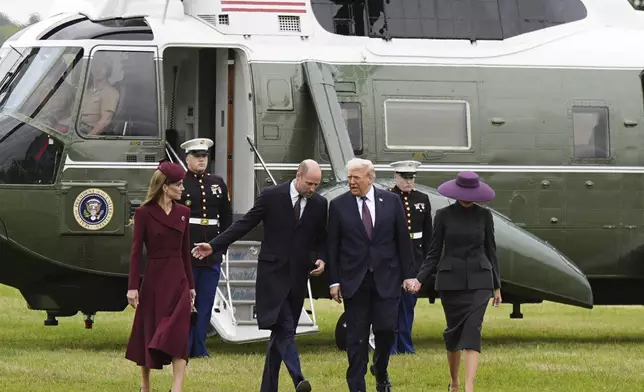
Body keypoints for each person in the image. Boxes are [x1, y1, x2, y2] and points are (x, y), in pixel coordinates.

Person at [191, 159, 328, 392]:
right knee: (285, 328)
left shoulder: (319, 204)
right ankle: (298, 379)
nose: (312, 189)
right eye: (309, 183)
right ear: (298, 175)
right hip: (272, 275)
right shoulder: (271, 196)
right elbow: (244, 224)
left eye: (316, 185)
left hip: (297, 278)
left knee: (281, 334)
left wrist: (321, 258)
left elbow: (321, 239)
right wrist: (214, 246)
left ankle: (268, 388)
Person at [326, 157, 416, 392]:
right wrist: (334, 281)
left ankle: (381, 368)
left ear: (370, 178)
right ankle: (357, 385)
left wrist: (408, 275)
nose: (351, 182)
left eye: (356, 177)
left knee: (386, 330)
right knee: (356, 337)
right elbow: (332, 247)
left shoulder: (392, 201)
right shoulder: (338, 205)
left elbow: (403, 242)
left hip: (387, 279)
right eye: (349, 178)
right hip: (355, 281)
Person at [407, 171, 503, 392]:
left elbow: (491, 251)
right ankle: (455, 382)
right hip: (451, 282)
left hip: (481, 280)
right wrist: (420, 279)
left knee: (472, 330)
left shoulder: (485, 216)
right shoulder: (443, 215)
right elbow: (433, 253)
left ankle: (469, 387)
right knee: (454, 333)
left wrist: (497, 285)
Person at [125, 160, 196, 392]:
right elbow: (136, 253)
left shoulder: (184, 213)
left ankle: (177, 389)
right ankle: (144, 385)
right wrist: (132, 287)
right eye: (179, 184)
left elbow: (185, 253)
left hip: (179, 281)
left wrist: (192, 287)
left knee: (178, 333)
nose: (183, 189)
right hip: (154, 280)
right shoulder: (144, 213)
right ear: (165, 187)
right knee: (148, 330)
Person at [179, 137, 232, 358]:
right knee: (185, 302)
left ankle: (199, 346)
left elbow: (226, 217)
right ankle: (183, 344)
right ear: (187, 158)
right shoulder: (179, 182)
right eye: (197, 157)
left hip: (211, 251)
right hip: (188, 250)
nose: (202, 160)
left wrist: (221, 246)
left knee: (206, 302)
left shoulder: (217, 182)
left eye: (204, 156)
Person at [386, 160, 433, 355]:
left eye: (411, 178)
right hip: (393, 258)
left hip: (415, 257)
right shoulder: (388, 198)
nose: (408, 182)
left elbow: (428, 233)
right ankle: (392, 344)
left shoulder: (422, 198)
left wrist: (427, 262)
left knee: (409, 303)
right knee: (392, 304)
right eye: (404, 178)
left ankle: (406, 343)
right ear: (395, 177)